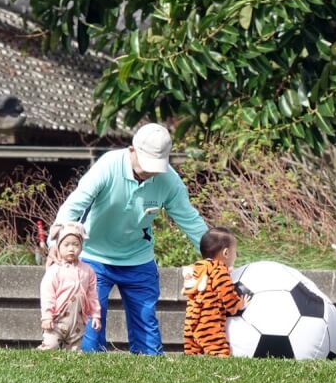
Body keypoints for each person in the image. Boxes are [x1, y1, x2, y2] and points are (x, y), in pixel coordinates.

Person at [52, 123, 208, 355]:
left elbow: (190, 220)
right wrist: (56, 244)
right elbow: (75, 205)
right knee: (90, 338)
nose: (150, 172)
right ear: (131, 150)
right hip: (94, 258)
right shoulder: (107, 166)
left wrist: (215, 258)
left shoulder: (169, 181)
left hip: (139, 260)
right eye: (146, 164)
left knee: (148, 336)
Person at [182, 227, 249, 357]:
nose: (236, 256)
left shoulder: (197, 267)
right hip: (209, 322)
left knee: (192, 354)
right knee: (218, 351)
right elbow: (227, 295)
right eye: (236, 252)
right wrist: (239, 304)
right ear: (226, 253)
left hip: (191, 322)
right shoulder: (220, 271)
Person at [38, 222, 102, 351]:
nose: (71, 249)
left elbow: (92, 295)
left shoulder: (87, 271)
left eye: (76, 244)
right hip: (56, 320)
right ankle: (36, 363)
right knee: (50, 345)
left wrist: (95, 315)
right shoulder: (54, 270)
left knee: (74, 350)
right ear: (58, 246)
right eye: (66, 245)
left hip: (78, 321)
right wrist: (47, 316)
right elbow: (47, 295)